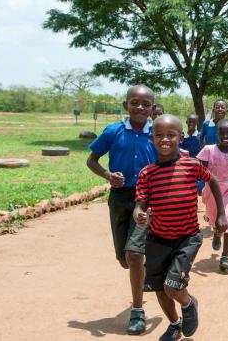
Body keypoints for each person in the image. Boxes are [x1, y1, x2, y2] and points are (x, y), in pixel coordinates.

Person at [133, 114, 228, 341]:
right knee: (159, 287)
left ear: (181, 137)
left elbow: (213, 181)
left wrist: (221, 213)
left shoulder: (191, 165)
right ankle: (174, 324)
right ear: (151, 138)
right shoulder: (147, 173)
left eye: (171, 135)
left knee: (173, 286)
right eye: (159, 135)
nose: (165, 140)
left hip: (187, 238)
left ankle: (188, 303)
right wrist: (139, 215)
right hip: (157, 239)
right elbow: (140, 204)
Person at [86, 84, 157, 335]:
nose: (140, 107)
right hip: (119, 198)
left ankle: (137, 311)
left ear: (152, 108)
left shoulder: (157, 133)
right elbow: (91, 160)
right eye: (135, 102)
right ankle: (140, 271)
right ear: (125, 105)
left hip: (145, 200)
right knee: (124, 259)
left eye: (145, 104)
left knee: (134, 254)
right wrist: (107, 174)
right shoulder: (113, 130)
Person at [198, 119, 228, 271]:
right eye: (222, 133)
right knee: (215, 217)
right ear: (217, 134)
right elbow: (200, 168)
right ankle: (217, 232)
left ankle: (225, 255)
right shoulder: (209, 150)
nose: (226, 136)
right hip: (213, 189)